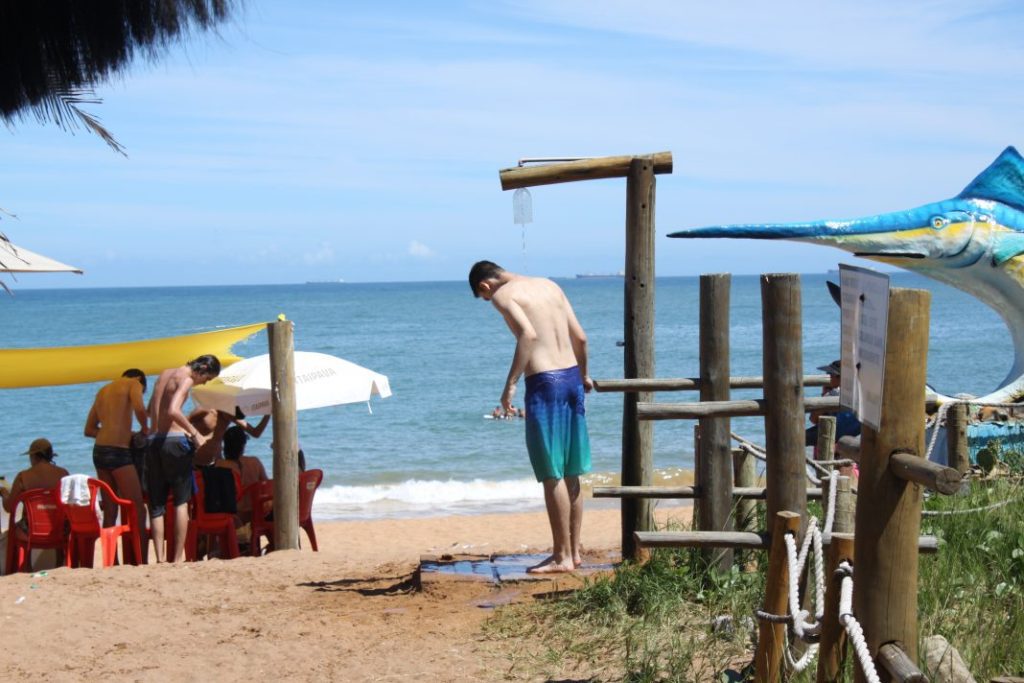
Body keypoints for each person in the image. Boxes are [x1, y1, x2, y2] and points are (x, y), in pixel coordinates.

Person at [469, 260, 592, 573]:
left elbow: (528, 335)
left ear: (485, 286)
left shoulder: (503, 294)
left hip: (544, 383)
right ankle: (574, 552)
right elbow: (581, 338)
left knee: (551, 472)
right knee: (571, 470)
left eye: (484, 298)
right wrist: (585, 376)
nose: (489, 303)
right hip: (571, 378)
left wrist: (509, 385)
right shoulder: (551, 285)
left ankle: (562, 557)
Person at [146, 354, 221, 562]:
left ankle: (160, 559)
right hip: (174, 442)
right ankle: (177, 558)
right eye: (206, 378)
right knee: (181, 501)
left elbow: (149, 410)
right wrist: (194, 433)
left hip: (153, 441)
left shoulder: (163, 374)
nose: (203, 382)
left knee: (157, 505)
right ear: (203, 368)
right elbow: (173, 410)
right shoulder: (186, 378)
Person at [84, 368, 149, 562]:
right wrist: (145, 429)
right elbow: (139, 408)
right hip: (118, 453)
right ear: (139, 379)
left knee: (110, 509)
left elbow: (89, 429)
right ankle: (141, 559)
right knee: (137, 506)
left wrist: (116, 433)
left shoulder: (103, 391)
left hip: (99, 451)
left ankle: (111, 560)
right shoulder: (133, 383)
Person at [0, 439, 70, 573]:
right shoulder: (64, 474)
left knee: (17, 527)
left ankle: (25, 565)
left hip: (30, 532)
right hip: (59, 530)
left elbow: (9, 508)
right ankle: (60, 561)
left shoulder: (23, 476)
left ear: (34, 456)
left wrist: (4, 494)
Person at [217, 425, 269, 526]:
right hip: (255, 514)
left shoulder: (220, 465)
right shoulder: (255, 462)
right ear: (243, 445)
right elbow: (266, 486)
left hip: (233, 517)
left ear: (225, 445)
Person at [806, 359, 862, 447]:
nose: (829, 377)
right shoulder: (860, 393)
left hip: (834, 436)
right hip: (853, 437)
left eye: (830, 375)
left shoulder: (833, 394)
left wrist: (824, 396)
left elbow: (813, 419)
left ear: (839, 377)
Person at [189, 407, 270, 467]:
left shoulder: (229, 416)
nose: (233, 418)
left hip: (216, 464)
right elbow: (181, 425)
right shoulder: (205, 410)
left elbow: (256, 433)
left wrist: (268, 412)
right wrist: (195, 435)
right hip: (195, 463)